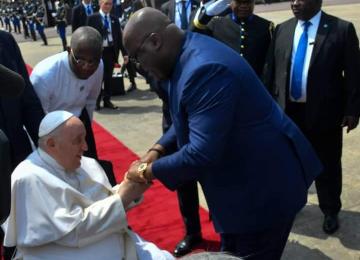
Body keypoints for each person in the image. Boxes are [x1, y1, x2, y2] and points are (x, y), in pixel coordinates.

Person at [123, 8, 322, 259]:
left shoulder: (202, 70)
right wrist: (157, 150)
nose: (141, 67)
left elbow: (201, 153)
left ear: (154, 41)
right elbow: (188, 118)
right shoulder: (185, 52)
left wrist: (145, 172)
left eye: (137, 58)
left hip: (262, 195)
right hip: (239, 192)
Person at [1, 110, 174, 260]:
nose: (85, 146)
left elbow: (99, 204)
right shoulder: (28, 177)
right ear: (51, 144)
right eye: (77, 140)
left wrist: (129, 187)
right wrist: (123, 197)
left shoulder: (86, 164)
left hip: (117, 242)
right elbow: (71, 232)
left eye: (84, 138)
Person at [262, 0, 360, 235]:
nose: (295, 3)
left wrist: (353, 110)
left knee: (327, 165)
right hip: (288, 113)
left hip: (326, 112)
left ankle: (330, 210)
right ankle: (294, 202)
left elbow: (355, 74)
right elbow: (271, 68)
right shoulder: (282, 29)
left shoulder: (341, 29)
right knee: (291, 163)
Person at [0, 30, 45, 260]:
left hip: (18, 158)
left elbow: (27, 97)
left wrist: (47, 139)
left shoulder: (5, 41)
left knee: (23, 234)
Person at [30, 26, 103, 161]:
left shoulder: (99, 66)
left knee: (90, 164)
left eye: (92, 62)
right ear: (69, 50)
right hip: (52, 128)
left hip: (80, 119)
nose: (86, 67)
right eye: (80, 60)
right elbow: (39, 120)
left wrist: (85, 132)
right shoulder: (44, 76)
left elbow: (91, 101)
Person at [193, 0, 273, 77]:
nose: (243, 6)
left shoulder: (266, 26)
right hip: (225, 80)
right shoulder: (216, 24)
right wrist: (207, 15)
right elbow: (195, 37)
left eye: (248, 2)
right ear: (230, 2)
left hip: (254, 82)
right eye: (239, 2)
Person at [87, 0, 129, 110]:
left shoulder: (114, 19)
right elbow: (88, 36)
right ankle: (96, 101)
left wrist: (124, 54)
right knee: (98, 78)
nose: (108, 6)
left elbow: (119, 39)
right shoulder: (92, 18)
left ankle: (107, 100)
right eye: (106, 3)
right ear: (100, 4)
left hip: (111, 51)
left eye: (110, 4)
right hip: (98, 52)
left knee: (108, 78)